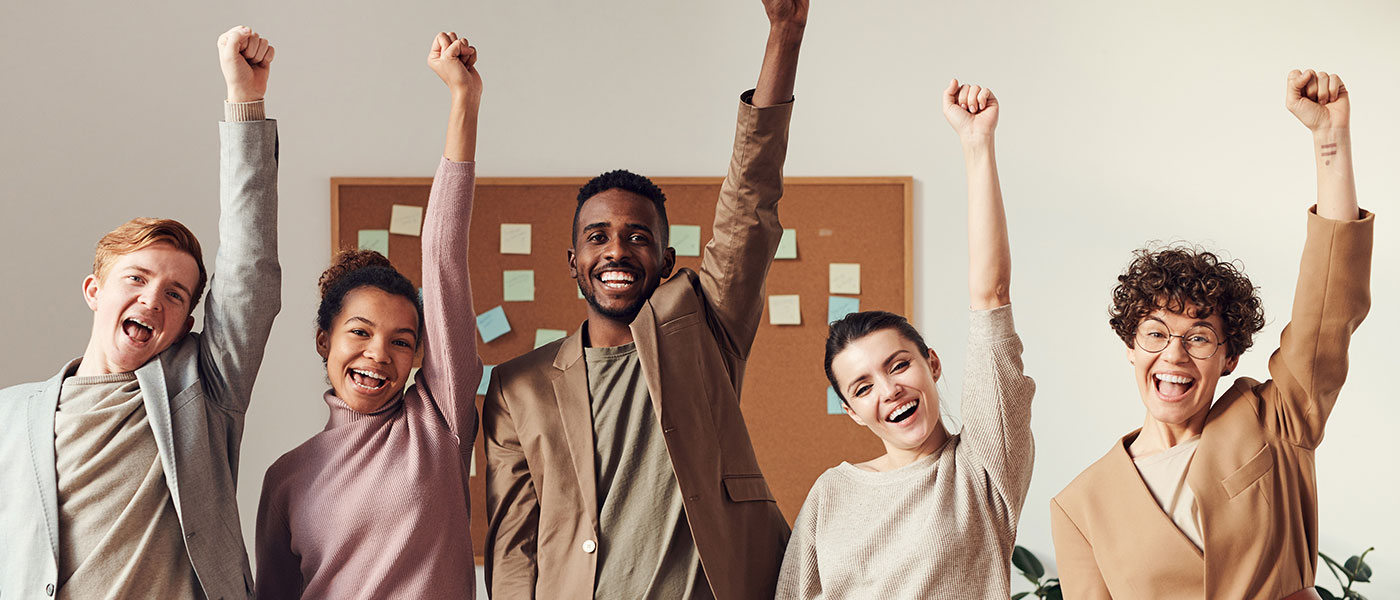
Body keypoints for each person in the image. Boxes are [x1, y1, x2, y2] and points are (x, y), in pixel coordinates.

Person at [482, 1, 807, 597]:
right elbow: (512, 552)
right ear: (574, 262)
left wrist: (785, 33)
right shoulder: (517, 387)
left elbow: (749, 204)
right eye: (597, 237)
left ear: (666, 262)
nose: (617, 251)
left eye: (639, 238)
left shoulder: (704, 330)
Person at [1050, 70, 1373, 600]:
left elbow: (1328, 309)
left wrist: (1329, 142)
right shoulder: (1081, 505)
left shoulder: (1273, 420)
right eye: (1155, 334)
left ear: (1228, 356)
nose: (1173, 355)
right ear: (1130, 346)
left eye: (1198, 337)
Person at [0, 26, 279, 599]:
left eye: (176, 294)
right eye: (137, 278)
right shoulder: (11, 416)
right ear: (93, 290)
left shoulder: (202, 391)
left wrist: (244, 102)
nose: (154, 298)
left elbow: (249, 268)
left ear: (187, 322)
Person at [774, 80, 1035, 599]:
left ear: (931, 363)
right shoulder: (831, 492)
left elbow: (991, 297)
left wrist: (976, 144)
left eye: (897, 366)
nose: (888, 391)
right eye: (862, 387)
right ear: (851, 410)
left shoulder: (981, 469)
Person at [253, 32, 484, 599]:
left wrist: (464, 101)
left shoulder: (439, 422)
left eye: (402, 341)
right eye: (360, 332)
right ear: (322, 342)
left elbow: (443, 255)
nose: (379, 353)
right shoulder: (286, 478)